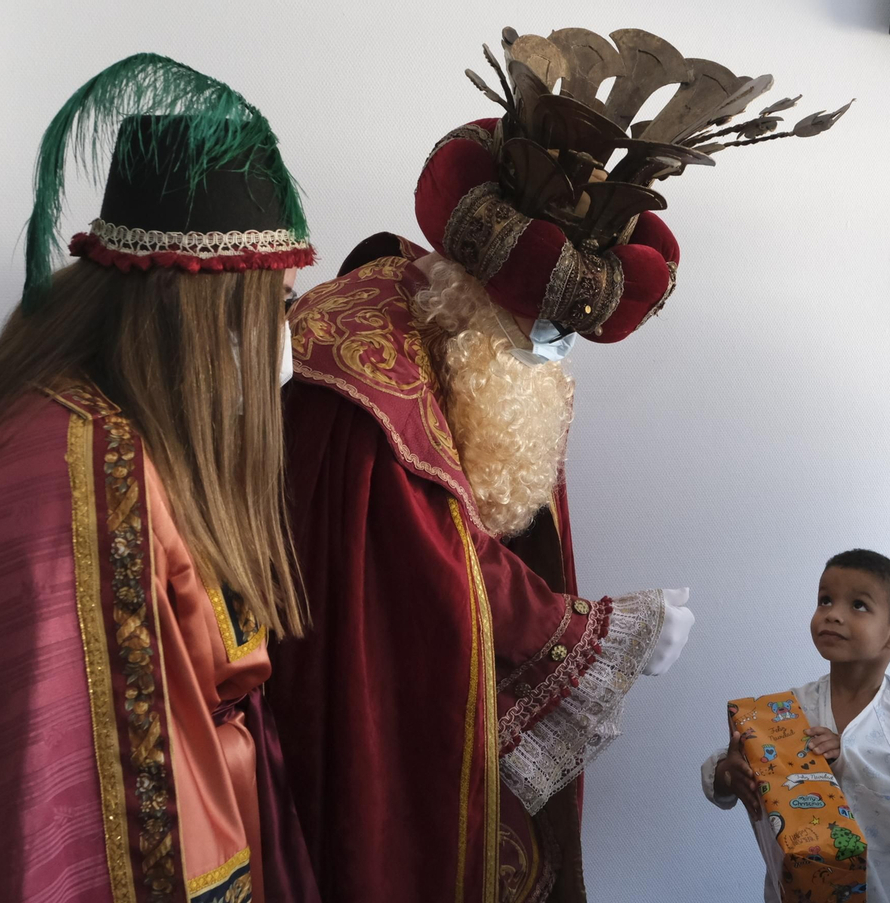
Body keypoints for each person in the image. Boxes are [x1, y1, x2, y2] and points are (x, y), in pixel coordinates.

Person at [267, 25, 850, 903]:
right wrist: (599, 630)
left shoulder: (469, 346)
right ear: (483, 290)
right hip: (357, 700)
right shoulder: (367, 371)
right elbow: (422, 563)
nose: (552, 349)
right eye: (543, 326)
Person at [0, 54, 321, 902]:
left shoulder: (118, 432)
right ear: (194, 315)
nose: (286, 355)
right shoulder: (69, 489)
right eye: (273, 309)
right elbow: (59, 829)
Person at [702, 550, 890, 901]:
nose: (833, 614)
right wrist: (728, 774)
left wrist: (848, 756)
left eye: (858, 605)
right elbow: (725, 768)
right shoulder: (788, 710)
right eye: (825, 600)